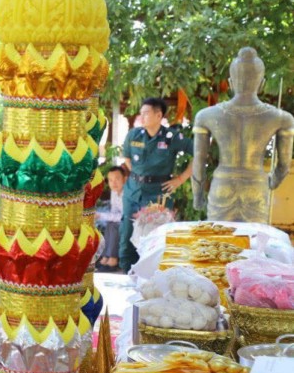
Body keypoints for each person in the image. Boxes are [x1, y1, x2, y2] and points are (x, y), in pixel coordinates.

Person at [192, 47, 294, 222]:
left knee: (220, 238)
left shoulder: (206, 115)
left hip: (222, 186)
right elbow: (284, 166)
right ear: (262, 84)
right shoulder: (281, 118)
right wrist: (271, 182)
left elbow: (199, 161)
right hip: (256, 186)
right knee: (253, 238)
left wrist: (197, 196)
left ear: (231, 83)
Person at [119, 98, 193, 272]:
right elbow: (127, 157)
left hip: (158, 193)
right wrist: (139, 175)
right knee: (127, 232)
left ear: (159, 115)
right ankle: (126, 272)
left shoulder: (172, 137)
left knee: (154, 236)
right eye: (141, 113)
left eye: (146, 113)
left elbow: (199, 152)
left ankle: (151, 275)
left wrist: (180, 179)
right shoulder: (134, 134)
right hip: (133, 191)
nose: (141, 117)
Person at [95, 166, 126, 272]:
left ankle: (113, 258)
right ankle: (105, 257)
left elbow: (122, 216)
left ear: (124, 179)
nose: (114, 183)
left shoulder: (127, 193)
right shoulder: (114, 192)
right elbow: (114, 213)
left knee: (113, 226)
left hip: (130, 221)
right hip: (120, 221)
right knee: (110, 224)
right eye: (111, 180)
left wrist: (100, 215)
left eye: (117, 179)